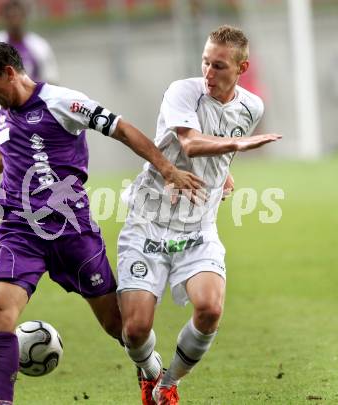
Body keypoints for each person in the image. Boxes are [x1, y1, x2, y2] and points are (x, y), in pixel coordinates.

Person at [0, 40, 203, 405]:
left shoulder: (63, 102)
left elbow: (121, 129)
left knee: (119, 327)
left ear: (9, 73)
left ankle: (153, 373)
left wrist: (168, 170)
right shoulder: (1, 111)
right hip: (20, 230)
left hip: (71, 230)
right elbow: (8, 150)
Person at [117, 25, 281, 405]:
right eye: (205, 62)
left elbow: (220, 150)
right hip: (148, 222)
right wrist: (240, 143)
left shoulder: (252, 107)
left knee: (209, 309)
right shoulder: (182, 91)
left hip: (197, 226)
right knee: (136, 330)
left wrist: (224, 174)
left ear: (242, 68)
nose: (209, 72)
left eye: (219, 66)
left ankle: (168, 384)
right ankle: (150, 370)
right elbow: (190, 143)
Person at [0, 0, 59, 119]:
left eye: (17, 15)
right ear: (3, 18)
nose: (14, 20)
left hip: (32, 113)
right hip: (4, 114)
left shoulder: (38, 45)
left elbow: (51, 79)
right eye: (10, 16)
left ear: (24, 16)